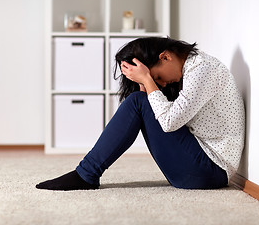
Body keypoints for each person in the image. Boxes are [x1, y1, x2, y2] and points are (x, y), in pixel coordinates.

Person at [36, 37, 245, 191]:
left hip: (209, 171)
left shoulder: (202, 70)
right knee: (140, 100)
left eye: (157, 77)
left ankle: (86, 174)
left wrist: (147, 80)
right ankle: (86, 173)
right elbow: (157, 112)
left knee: (137, 101)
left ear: (165, 56)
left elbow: (169, 122)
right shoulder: (194, 68)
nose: (161, 84)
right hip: (199, 167)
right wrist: (145, 82)